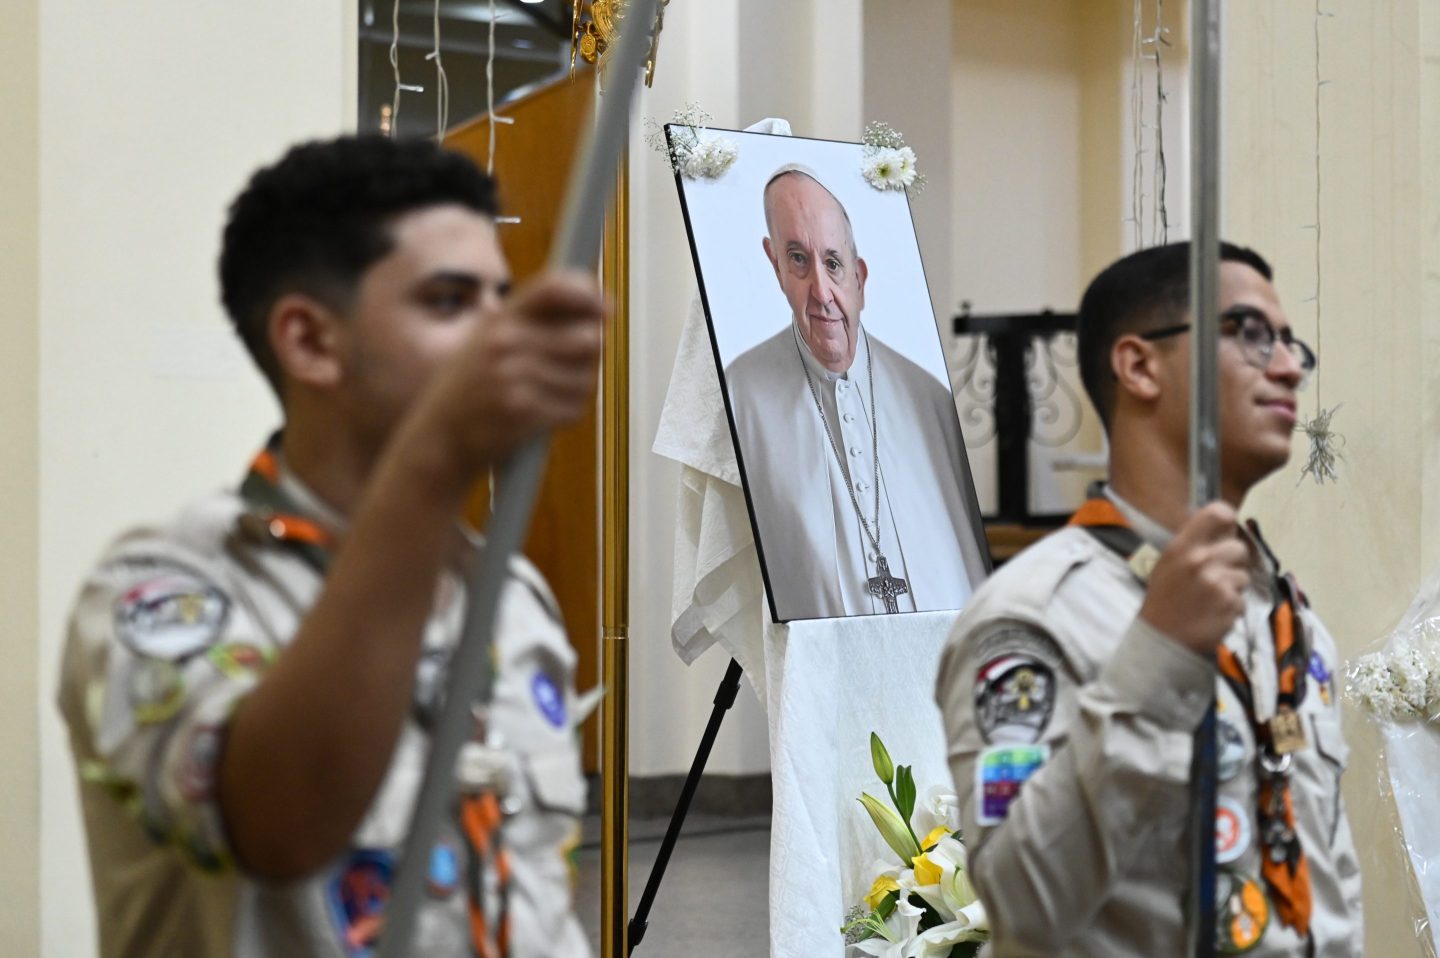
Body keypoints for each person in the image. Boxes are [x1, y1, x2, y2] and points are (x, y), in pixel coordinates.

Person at [56, 135, 604, 958]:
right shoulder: (159, 592)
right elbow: (277, 825)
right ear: (310, 342)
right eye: (451, 302)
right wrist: (433, 456)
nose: (502, 335)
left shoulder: (509, 593)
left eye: (504, 298)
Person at [934, 242, 1363, 955]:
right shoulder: (1031, 618)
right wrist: (1156, 658)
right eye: (1251, 334)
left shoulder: (1284, 616)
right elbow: (1021, 904)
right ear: (1138, 366)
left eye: (1290, 344)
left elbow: (1329, 882)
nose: (1289, 367)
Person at [723, 165, 988, 622]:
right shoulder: (741, 393)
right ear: (775, 266)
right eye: (798, 260)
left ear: (859, 277)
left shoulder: (926, 397)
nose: (822, 293)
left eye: (832, 262)